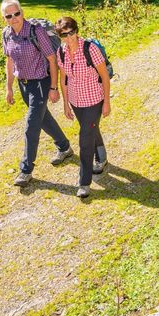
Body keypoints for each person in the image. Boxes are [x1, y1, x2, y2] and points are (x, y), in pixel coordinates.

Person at [1, 0, 72, 187]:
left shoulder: (35, 31)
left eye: (16, 13)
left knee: (31, 124)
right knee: (43, 118)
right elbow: (9, 61)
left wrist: (54, 88)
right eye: (9, 16)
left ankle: (26, 170)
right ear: (4, 18)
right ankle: (64, 147)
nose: (14, 18)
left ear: (22, 12)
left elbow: (51, 59)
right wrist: (9, 87)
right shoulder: (7, 34)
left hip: (40, 82)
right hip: (23, 84)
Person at [55, 16, 111, 198]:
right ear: (60, 36)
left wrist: (107, 102)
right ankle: (102, 157)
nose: (69, 37)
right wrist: (65, 103)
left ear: (76, 31)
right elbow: (63, 79)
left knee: (85, 139)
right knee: (90, 129)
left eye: (72, 32)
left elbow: (104, 75)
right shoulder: (61, 51)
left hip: (94, 99)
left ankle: (84, 182)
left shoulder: (90, 48)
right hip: (75, 101)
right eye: (64, 34)